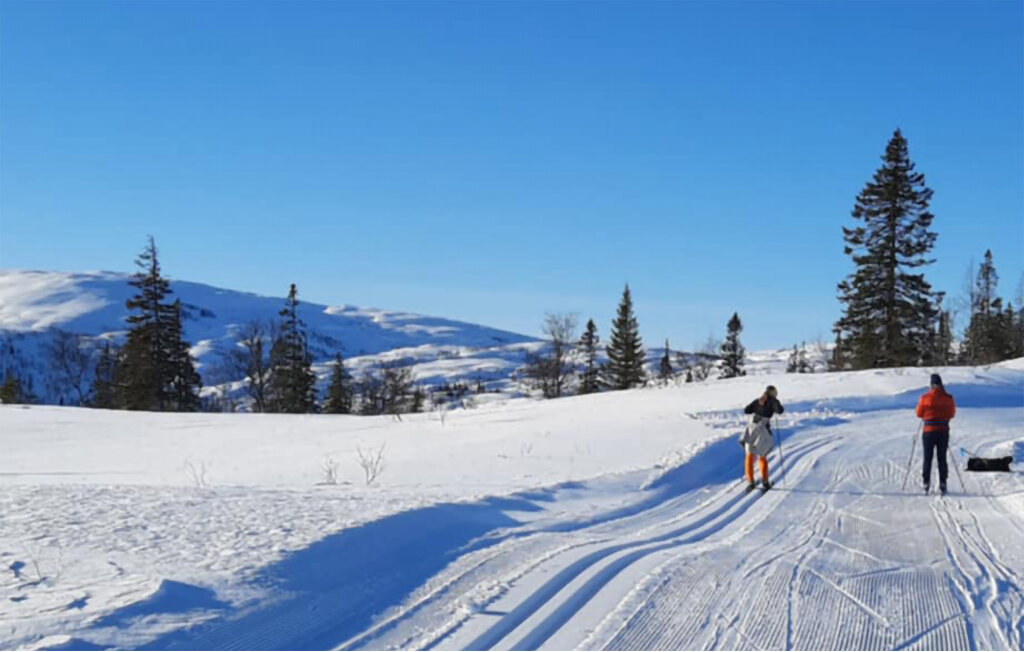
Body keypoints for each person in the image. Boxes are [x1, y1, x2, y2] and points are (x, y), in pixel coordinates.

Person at [915, 373, 956, 495]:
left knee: (927, 458)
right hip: (943, 431)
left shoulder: (924, 398)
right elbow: (952, 414)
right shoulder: (948, 398)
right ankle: (943, 483)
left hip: (928, 431)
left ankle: (926, 483)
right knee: (941, 458)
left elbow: (918, 413)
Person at [740, 385, 785, 491]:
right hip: (762, 429)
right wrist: (775, 404)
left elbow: (747, 410)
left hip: (751, 428)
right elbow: (780, 411)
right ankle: (765, 482)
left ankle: (751, 482)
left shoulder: (758, 400)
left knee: (749, 456)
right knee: (762, 456)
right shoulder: (773, 401)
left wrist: (757, 406)